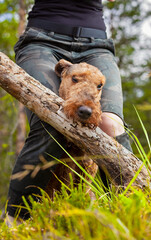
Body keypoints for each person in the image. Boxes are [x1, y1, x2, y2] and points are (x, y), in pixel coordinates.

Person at [6, 0, 132, 225]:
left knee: (111, 126)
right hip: (41, 40)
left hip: (97, 44)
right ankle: (15, 222)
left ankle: (125, 213)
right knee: (51, 121)